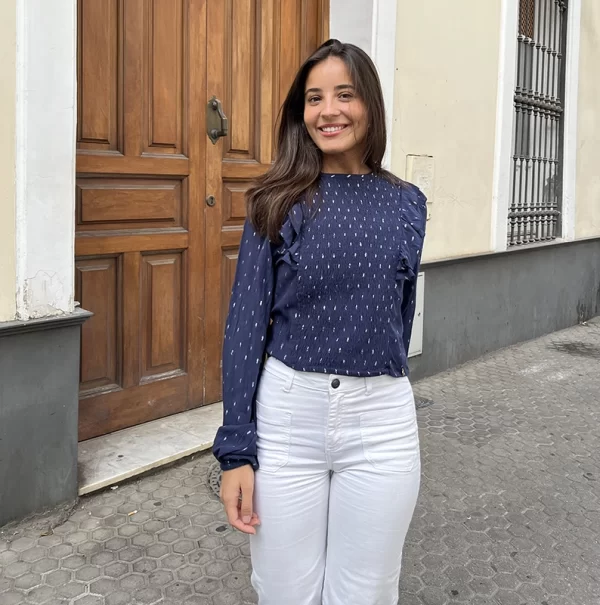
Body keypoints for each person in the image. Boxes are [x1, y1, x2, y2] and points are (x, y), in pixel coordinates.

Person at [213, 38, 427, 605]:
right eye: (314, 98)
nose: (328, 110)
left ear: (370, 104)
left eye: (344, 94)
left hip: (381, 424)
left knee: (367, 593)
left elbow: (398, 316)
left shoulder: (408, 203)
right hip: (288, 421)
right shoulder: (275, 199)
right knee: (285, 592)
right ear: (299, 113)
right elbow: (244, 327)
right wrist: (236, 451)